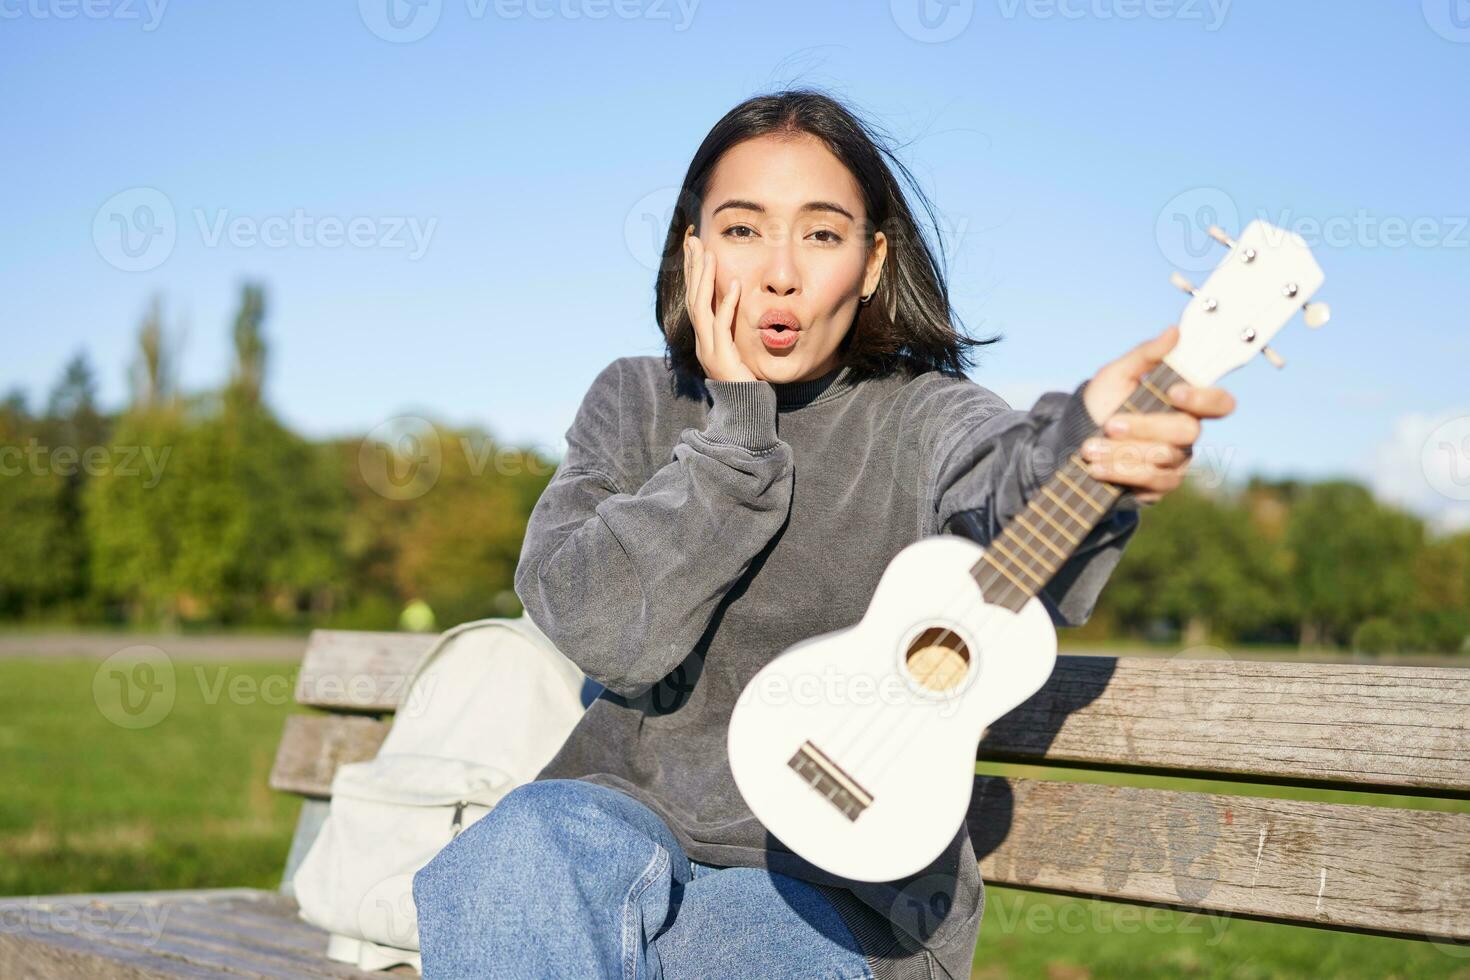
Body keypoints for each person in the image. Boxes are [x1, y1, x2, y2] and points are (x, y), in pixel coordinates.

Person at [413, 88, 1235, 979]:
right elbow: (606, 631)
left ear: (873, 261)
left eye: (820, 233)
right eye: (741, 230)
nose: (780, 273)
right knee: (511, 852)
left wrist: (1087, 438)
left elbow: (1010, 484)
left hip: (835, 892)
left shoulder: (923, 418)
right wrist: (735, 439)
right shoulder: (634, 400)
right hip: (621, 832)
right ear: (693, 252)